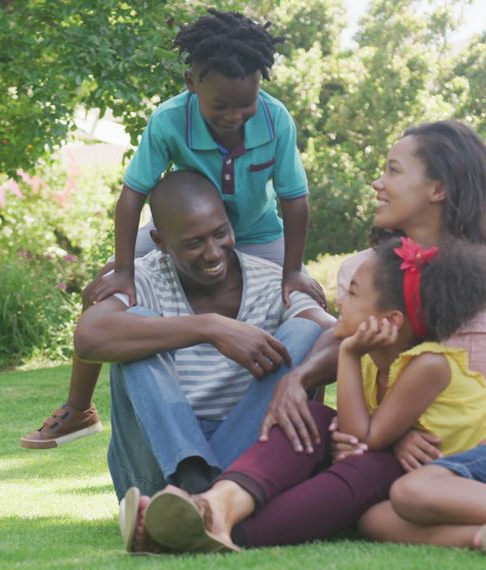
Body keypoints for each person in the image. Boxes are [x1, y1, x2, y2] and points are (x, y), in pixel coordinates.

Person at [19, 8, 325, 449]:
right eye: (220, 104)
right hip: (186, 229)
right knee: (103, 291)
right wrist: (124, 270)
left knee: (306, 304)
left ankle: (303, 424)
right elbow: (132, 197)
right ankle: (79, 408)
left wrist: (293, 270)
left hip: (258, 233)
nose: (234, 115)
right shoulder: (168, 120)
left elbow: (295, 200)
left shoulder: (276, 120)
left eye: (246, 103)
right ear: (191, 83)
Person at [260, 120, 486, 501]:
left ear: (438, 189)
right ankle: (225, 502)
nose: (378, 183)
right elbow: (360, 385)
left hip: (480, 451)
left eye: (393, 171)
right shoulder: (361, 273)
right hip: (392, 458)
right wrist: (396, 435)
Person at [134, 236, 486, 553]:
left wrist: (349, 356)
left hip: (445, 480)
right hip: (397, 469)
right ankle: (214, 504)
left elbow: (363, 438)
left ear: (391, 320)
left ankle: (205, 534)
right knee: (313, 419)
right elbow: (350, 431)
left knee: (371, 461)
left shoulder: (425, 364)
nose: (340, 299)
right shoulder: (367, 359)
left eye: (353, 293)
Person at [68, 171, 333, 513]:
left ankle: (203, 497)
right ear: (161, 242)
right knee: (136, 326)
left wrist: (299, 377)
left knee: (305, 331)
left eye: (220, 233)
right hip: (155, 472)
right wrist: (211, 328)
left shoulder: (272, 283)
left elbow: (337, 334)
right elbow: (90, 337)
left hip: (245, 458)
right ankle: (191, 477)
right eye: (194, 243)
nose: (212, 253)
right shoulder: (141, 278)